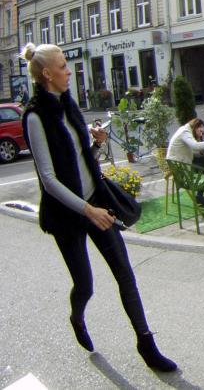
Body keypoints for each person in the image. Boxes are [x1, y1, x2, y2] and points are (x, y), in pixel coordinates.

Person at [20, 42, 177, 372]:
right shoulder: (35, 117)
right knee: (85, 285)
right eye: (63, 67)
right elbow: (49, 179)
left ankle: (146, 343)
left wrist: (95, 143)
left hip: (96, 204)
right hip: (67, 215)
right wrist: (87, 211)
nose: (69, 72)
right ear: (47, 74)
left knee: (125, 274)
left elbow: (79, 161)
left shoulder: (68, 104)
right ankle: (77, 317)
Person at [166, 117, 204, 204]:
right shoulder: (185, 132)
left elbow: (191, 152)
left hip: (179, 166)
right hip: (182, 170)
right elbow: (195, 146)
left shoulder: (184, 130)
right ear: (196, 126)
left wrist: (202, 152)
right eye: (201, 131)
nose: (201, 135)